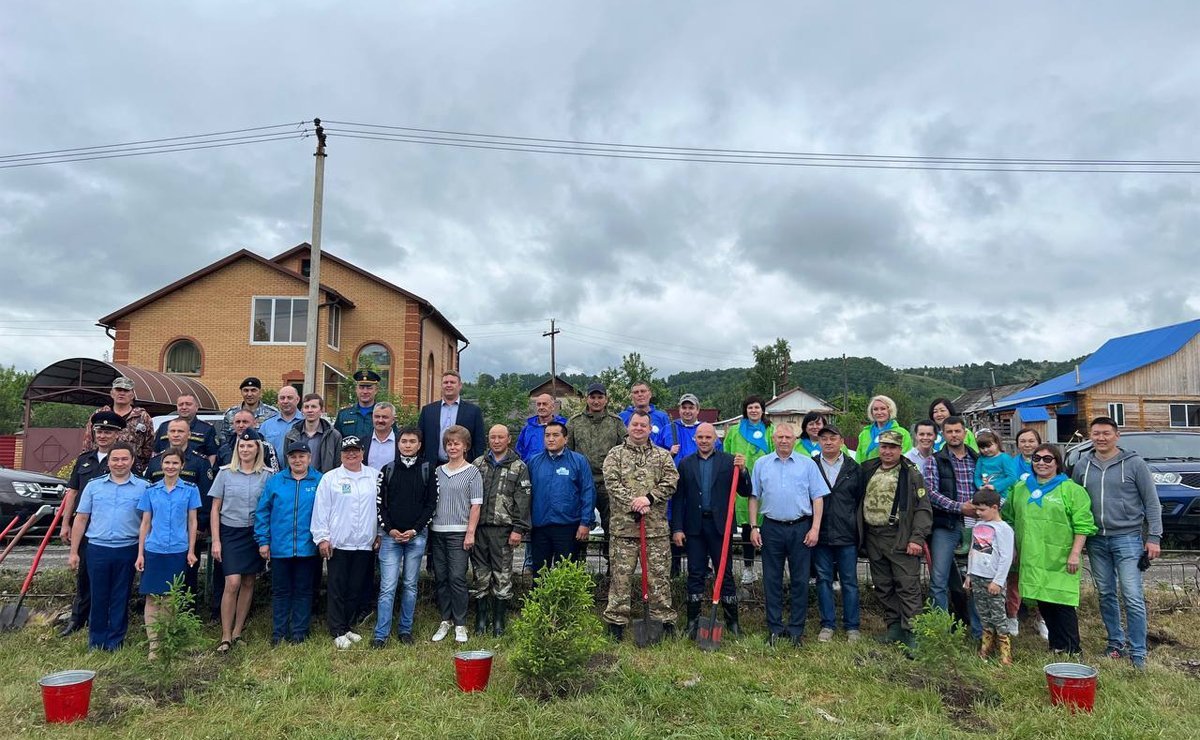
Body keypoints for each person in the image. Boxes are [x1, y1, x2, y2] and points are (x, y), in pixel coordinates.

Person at [1073, 416, 1163, 671]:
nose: (1101, 438)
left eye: (1106, 433)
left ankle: (1138, 652)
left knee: (1132, 595)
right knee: (1106, 593)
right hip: (1096, 539)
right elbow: (1075, 501)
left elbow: (1152, 502)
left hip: (1128, 538)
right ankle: (1115, 643)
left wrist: (1154, 537)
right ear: (1090, 436)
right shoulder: (1082, 465)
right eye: (1096, 433)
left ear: (1117, 435)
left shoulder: (1134, 464)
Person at [1003, 444, 1097, 656]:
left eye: (1048, 459)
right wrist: (1014, 550)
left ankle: (1073, 649)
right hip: (1033, 555)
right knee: (1043, 600)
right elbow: (1009, 518)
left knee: (1062, 603)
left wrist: (1075, 553)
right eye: (1037, 458)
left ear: (1057, 463)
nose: (1041, 463)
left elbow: (1083, 525)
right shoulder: (1020, 488)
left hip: (1061, 556)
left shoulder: (1071, 490)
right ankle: (1057, 646)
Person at [749, 423, 828, 646]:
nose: (784, 440)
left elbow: (818, 498)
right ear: (773, 439)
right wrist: (754, 526)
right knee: (771, 579)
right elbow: (754, 497)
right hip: (771, 528)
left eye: (788, 437)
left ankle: (796, 630)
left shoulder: (807, 465)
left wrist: (815, 528)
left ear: (795, 440)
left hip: (801, 528)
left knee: (800, 580)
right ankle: (774, 628)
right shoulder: (761, 464)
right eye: (780, 437)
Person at [602, 411, 679, 640]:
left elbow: (671, 481)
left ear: (649, 428)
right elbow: (611, 483)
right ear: (628, 427)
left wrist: (650, 498)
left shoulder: (662, 456)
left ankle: (663, 619)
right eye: (634, 424)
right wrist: (635, 502)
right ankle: (616, 621)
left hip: (655, 531)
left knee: (659, 578)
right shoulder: (615, 455)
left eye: (643, 425)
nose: (638, 428)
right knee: (620, 579)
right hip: (623, 530)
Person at [67, 442, 148, 651]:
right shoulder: (94, 486)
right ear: (108, 461)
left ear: (132, 461)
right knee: (98, 594)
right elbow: (81, 519)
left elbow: (148, 523)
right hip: (98, 549)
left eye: (124, 459)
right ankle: (97, 641)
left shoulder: (144, 487)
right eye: (115, 459)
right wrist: (74, 551)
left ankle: (115, 641)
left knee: (120, 595)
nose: (119, 463)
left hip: (127, 548)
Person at [671, 423, 749, 638]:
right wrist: (677, 528)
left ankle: (733, 623)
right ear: (695, 439)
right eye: (700, 437)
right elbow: (678, 499)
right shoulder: (686, 464)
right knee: (695, 573)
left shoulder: (729, 461)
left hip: (720, 527)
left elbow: (745, 490)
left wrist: (743, 471)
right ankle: (692, 623)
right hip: (694, 527)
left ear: (716, 439)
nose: (704, 441)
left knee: (725, 573)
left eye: (708, 437)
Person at [858, 430, 932, 650]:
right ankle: (894, 628)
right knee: (883, 585)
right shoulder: (869, 468)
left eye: (892, 447)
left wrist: (917, 538)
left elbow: (923, 509)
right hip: (873, 536)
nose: (887, 451)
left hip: (899, 536)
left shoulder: (911, 473)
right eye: (884, 446)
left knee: (907, 586)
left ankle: (913, 633)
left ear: (900, 449)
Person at [311, 436, 381, 649]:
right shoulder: (331, 478)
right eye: (347, 451)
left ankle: (348, 626)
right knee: (337, 587)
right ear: (341, 454)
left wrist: (378, 533)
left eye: (356, 450)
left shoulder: (374, 476)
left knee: (356, 587)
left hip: (364, 543)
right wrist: (322, 538)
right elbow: (321, 509)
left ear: (362, 452)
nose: (352, 454)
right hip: (339, 543)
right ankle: (336, 629)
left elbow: (380, 509)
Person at [58, 410, 121, 637]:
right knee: (84, 574)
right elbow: (73, 493)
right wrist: (65, 523)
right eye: (100, 431)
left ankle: (104, 619)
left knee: (110, 578)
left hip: (110, 526)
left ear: (117, 435)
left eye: (108, 432)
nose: (103, 436)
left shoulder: (122, 460)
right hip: (84, 525)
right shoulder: (84, 460)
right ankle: (78, 618)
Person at [135, 447, 201, 660]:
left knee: (171, 597)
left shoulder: (191, 490)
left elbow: (193, 521)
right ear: (161, 465)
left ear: (182, 466)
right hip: (154, 549)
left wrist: (191, 550)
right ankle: (154, 645)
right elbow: (145, 523)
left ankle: (167, 640)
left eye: (175, 463)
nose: (170, 467)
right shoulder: (151, 491)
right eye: (167, 463)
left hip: (178, 549)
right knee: (153, 597)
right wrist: (140, 553)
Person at [374, 427, 438, 646]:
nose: (407, 445)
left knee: (410, 585)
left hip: (416, 537)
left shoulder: (429, 470)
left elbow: (431, 505)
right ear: (398, 444)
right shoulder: (388, 469)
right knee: (387, 586)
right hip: (391, 537)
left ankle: (405, 630)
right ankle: (381, 634)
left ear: (419, 445)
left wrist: (415, 530)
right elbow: (380, 504)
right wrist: (390, 529)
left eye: (412, 441)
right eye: (404, 441)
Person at [210, 430, 272, 653]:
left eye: (250, 446)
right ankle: (225, 635)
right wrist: (216, 540)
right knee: (232, 582)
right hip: (230, 532)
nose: (245, 450)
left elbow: (269, 508)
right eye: (242, 446)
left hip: (254, 533)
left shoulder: (267, 475)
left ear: (258, 449)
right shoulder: (225, 473)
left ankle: (237, 631)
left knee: (248, 582)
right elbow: (215, 508)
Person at [255, 442, 322, 645]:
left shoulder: (319, 480)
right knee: (281, 591)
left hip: (307, 548)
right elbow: (262, 512)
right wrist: (263, 541)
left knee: (303, 591)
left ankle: (300, 632)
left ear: (309, 458)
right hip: (280, 548)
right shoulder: (276, 482)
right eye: (293, 456)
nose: (297, 460)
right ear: (288, 459)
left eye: (302, 456)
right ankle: (279, 632)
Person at [145, 418, 215, 604]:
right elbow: (148, 495)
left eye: (180, 431)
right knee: (157, 582)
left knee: (187, 577)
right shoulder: (155, 462)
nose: (176, 435)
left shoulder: (200, 462)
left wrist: (201, 525)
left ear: (189, 435)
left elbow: (206, 496)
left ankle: (187, 617)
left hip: (188, 532)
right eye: (172, 431)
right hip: (158, 534)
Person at [471, 424, 532, 636]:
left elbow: (523, 500)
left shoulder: (518, 466)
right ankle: (481, 620)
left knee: (502, 575)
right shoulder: (478, 464)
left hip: (504, 529)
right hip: (479, 529)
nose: (496, 441)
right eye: (492, 437)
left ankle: (499, 622)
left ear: (509, 440)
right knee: (480, 575)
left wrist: (518, 529)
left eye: (500, 437)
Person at [428, 425, 483, 644]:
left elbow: (476, 505)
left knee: (458, 578)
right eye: (449, 443)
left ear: (465, 446)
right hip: (438, 531)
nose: (452, 447)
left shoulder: (472, 472)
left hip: (459, 533)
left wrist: (470, 533)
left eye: (456, 443)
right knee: (441, 578)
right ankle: (445, 620)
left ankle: (461, 623)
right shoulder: (438, 471)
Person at [812, 424, 866, 643]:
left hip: (847, 533)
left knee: (849, 581)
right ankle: (827, 624)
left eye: (833, 438)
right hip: (821, 532)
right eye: (823, 438)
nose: (828, 442)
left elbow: (860, 500)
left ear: (842, 441)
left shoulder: (854, 469)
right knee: (823, 580)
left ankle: (852, 626)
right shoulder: (811, 466)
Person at [566, 382, 626, 566]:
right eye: (593, 397)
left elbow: (625, 450)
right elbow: (568, 453)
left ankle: (611, 568)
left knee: (611, 526)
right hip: (582, 484)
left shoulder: (616, 422)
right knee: (579, 524)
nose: (596, 401)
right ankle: (578, 566)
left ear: (606, 399)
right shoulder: (574, 422)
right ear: (587, 399)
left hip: (608, 483)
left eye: (600, 397)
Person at [527, 422, 595, 572]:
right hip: (540, 527)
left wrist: (585, 523)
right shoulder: (534, 462)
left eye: (555, 435)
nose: (550, 439)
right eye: (547, 435)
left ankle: (565, 597)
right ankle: (540, 597)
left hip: (567, 527)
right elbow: (525, 494)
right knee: (539, 572)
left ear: (566, 439)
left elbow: (588, 492)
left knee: (565, 572)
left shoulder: (578, 461)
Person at [928, 416, 979, 615]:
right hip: (946, 525)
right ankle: (940, 628)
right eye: (949, 431)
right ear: (943, 435)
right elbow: (931, 493)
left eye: (957, 431)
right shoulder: (935, 460)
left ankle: (978, 630)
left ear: (965, 433)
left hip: (977, 524)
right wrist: (959, 507)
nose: (954, 435)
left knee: (979, 577)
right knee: (938, 578)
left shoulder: (977, 458)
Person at [723, 395, 774, 585]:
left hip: (766, 484)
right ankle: (748, 568)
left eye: (757, 407)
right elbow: (726, 454)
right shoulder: (735, 431)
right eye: (750, 407)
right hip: (741, 483)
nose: (754, 411)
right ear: (745, 410)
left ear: (762, 410)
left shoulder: (771, 430)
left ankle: (770, 567)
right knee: (746, 526)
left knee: (767, 525)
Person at [964, 488, 1015, 665]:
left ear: (995, 507)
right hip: (977, 577)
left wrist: (998, 581)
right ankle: (985, 649)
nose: (978, 513)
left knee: (998, 616)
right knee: (984, 615)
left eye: (982, 510)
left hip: (993, 579)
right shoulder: (978, 526)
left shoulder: (1004, 529)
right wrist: (969, 574)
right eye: (976, 509)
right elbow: (973, 551)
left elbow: (1006, 557)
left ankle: (1005, 655)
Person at [84, 376, 155, 473]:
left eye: (126, 391)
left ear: (132, 395)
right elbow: (88, 442)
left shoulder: (142, 417)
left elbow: (149, 447)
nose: (121, 393)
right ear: (112, 393)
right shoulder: (99, 415)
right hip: (100, 467)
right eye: (118, 390)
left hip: (131, 469)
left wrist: (139, 467)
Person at [418, 370, 486, 466]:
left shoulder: (473, 411)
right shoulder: (428, 411)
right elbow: (420, 440)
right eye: (445, 382)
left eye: (452, 382)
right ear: (441, 385)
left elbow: (479, 443)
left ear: (460, 385)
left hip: (463, 466)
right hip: (432, 466)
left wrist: (476, 466)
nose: (448, 385)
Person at [152, 392, 218, 464]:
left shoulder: (207, 429)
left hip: (195, 471)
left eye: (188, 404)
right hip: (168, 470)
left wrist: (206, 471)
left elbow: (212, 455)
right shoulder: (164, 426)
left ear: (196, 407)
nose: (184, 407)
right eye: (180, 404)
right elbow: (156, 452)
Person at [283, 393, 342, 473]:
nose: (310, 410)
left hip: (324, 481)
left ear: (322, 410)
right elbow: (287, 463)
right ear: (302, 410)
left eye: (314, 407)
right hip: (298, 482)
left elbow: (338, 464)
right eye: (306, 407)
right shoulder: (291, 436)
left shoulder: (334, 435)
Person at [855, 394, 912, 463]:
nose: (879, 412)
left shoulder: (902, 433)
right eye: (875, 409)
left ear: (890, 410)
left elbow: (906, 457)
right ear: (871, 412)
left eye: (883, 409)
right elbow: (859, 458)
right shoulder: (864, 433)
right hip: (867, 472)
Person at [221, 377, 279, 443]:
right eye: (246, 390)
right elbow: (224, 439)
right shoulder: (230, 414)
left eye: (253, 390)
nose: (249, 394)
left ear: (260, 392)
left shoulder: (272, 414)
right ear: (241, 392)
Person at [619, 381, 674, 450]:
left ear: (650, 394)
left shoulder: (662, 417)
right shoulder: (622, 417)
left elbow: (669, 443)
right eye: (636, 392)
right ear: (631, 396)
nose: (640, 394)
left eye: (643, 391)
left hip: (657, 459)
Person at [336, 369, 386, 441]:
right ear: (356, 389)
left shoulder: (384, 415)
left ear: (376, 390)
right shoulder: (343, 415)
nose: (365, 392)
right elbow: (336, 442)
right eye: (361, 388)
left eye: (369, 388)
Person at [516, 393, 567, 461]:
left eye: (545, 404)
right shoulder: (527, 429)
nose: (541, 407)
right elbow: (519, 451)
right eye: (538, 404)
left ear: (553, 407)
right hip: (531, 469)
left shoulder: (564, 426)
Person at [260, 386, 302, 462]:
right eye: (282, 398)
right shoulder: (266, 425)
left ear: (297, 399)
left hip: (301, 471)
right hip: (273, 471)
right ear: (278, 401)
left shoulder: (305, 422)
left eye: (289, 398)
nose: (285, 401)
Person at [974, 431, 1018, 499]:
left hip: (1002, 495)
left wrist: (995, 487)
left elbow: (1012, 477)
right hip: (985, 493)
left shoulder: (1004, 458)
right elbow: (977, 476)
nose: (985, 450)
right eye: (982, 448)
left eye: (988, 446)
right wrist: (980, 486)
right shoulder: (981, 459)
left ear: (997, 443)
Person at [363, 402, 398, 471]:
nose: (380, 420)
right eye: (377, 416)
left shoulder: (400, 441)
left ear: (393, 420)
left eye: (385, 417)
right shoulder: (363, 441)